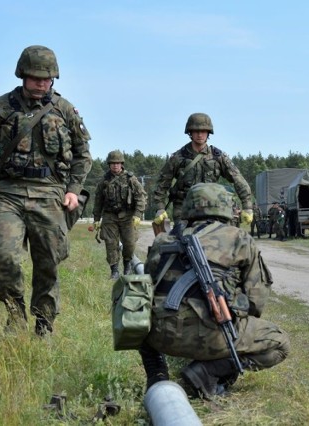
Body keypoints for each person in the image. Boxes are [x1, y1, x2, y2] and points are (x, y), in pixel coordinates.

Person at [0, 45, 92, 336]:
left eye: (47, 78)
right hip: (9, 193)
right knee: (4, 255)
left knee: (48, 262)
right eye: (36, 77)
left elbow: (83, 154)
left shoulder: (65, 110)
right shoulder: (0, 107)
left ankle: (44, 324)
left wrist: (73, 190)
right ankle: (14, 314)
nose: (41, 82)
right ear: (23, 74)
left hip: (50, 193)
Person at [139, 183, 290, 399]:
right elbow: (256, 301)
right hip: (212, 335)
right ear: (225, 207)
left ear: (189, 208)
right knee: (281, 342)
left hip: (159, 336)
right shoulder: (239, 238)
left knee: (141, 315)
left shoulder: (164, 239)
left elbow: (146, 290)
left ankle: (156, 374)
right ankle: (205, 372)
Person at [152, 113, 253, 228]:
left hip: (212, 208)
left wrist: (247, 207)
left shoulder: (218, 157)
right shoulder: (178, 158)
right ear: (190, 132)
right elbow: (161, 185)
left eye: (203, 131)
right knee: (183, 242)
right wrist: (159, 208)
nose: (200, 134)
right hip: (185, 210)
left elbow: (238, 180)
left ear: (208, 133)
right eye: (196, 131)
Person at [93, 150, 147, 279]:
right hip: (109, 216)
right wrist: (96, 219)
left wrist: (138, 214)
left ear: (122, 164)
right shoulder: (104, 181)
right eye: (112, 163)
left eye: (117, 163)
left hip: (127, 216)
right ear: (109, 164)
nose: (115, 166)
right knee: (111, 243)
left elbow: (141, 197)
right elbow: (98, 201)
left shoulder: (131, 179)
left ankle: (127, 265)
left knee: (129, 244)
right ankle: (114, 271)